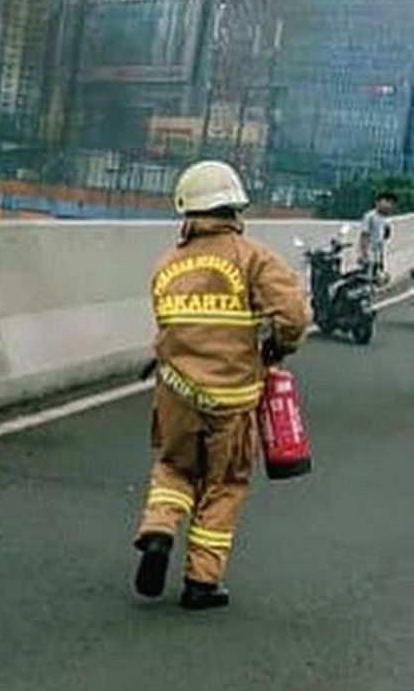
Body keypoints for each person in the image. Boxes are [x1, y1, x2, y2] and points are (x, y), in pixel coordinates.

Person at [133, 161, 311, 610]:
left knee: (173, 467)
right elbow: (292, 315)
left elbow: (169, 328)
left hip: (174, 391)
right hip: (231, 398)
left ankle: (158, 529)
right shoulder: (254, 258)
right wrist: (277, 349)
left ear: (187, 209)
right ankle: (201, 582)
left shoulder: (167, 264)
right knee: (223, 484)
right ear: (234, 206)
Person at [359, 190, 397, 282]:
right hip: (370, 252)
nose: (389, 205)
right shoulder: (370, 216)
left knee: (378, 276)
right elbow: (364, 235)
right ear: (377, 202)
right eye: (386, 202)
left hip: (378, 252)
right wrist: (364, 254)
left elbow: (384, 237)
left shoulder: (384, 219)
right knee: (368, 277)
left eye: (391, 203)